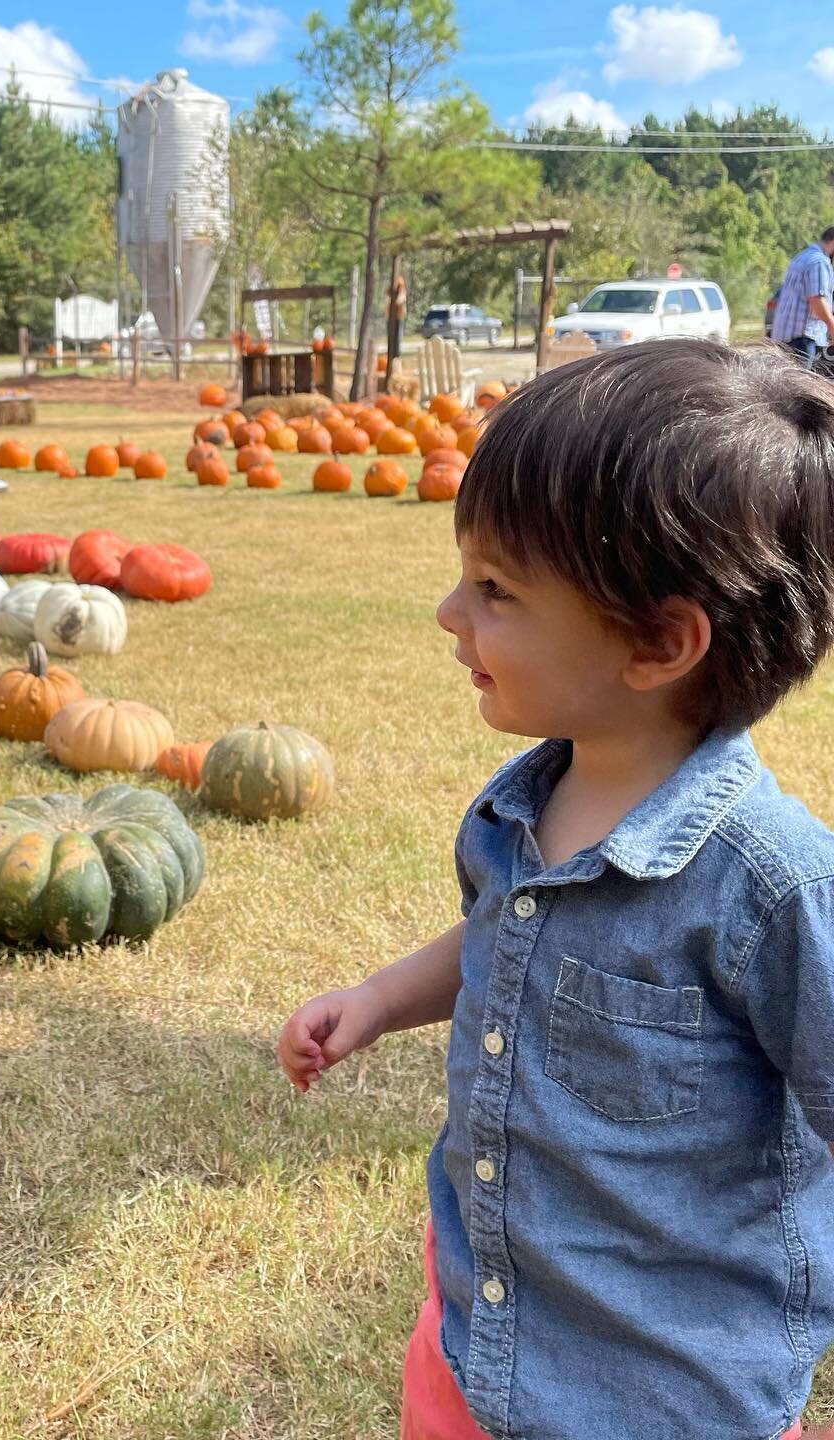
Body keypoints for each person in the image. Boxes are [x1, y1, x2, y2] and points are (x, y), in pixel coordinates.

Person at [278, 338, 834, 1440]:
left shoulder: (772, 887)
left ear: (661, 644)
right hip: (482, 1340)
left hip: (662, 1393)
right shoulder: (521, 806)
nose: (450, 613)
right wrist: (382, 1000)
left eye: (496, 590)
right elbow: (500, 936)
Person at [770, 228, 834, 367]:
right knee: (799, 386)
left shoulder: (801, 257)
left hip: (784, 336)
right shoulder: (819, 262)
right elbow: (817, 301)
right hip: (802, 338)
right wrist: (832, 326)